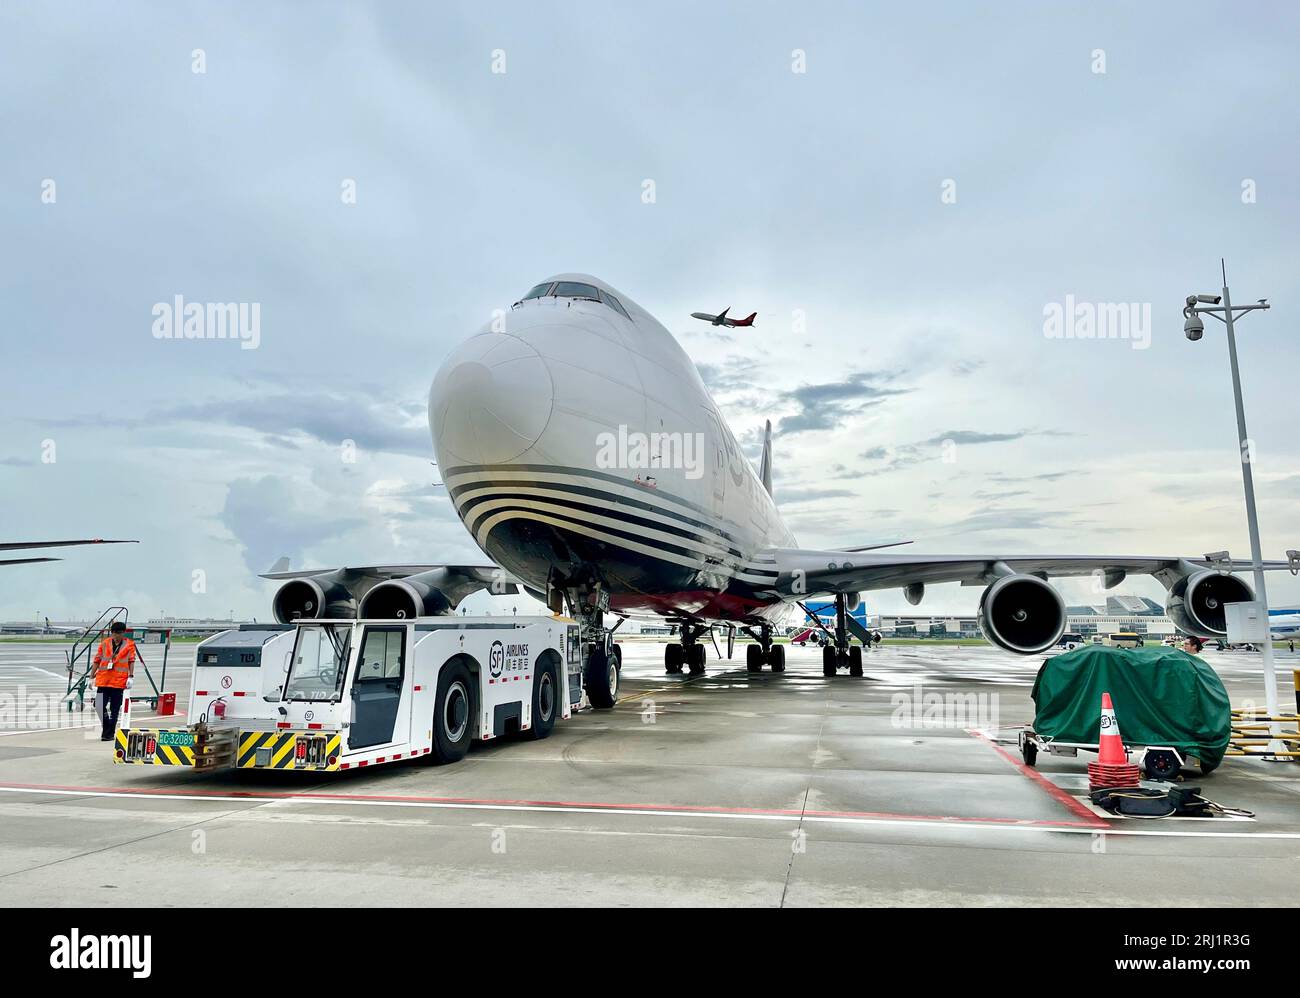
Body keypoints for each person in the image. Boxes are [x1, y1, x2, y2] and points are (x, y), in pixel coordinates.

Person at [91, 621, 136, 741]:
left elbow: (131, 661)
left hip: (118, 682)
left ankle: (108, 734)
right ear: (112, 633)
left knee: (115, 709)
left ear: (123, 633)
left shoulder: (129, 644)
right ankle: (108, 728)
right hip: (104, 680)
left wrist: (131, 676)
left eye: (119, 633)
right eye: (115, 633)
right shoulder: (105, 643)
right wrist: (91, 677)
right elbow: (97, 660)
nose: (117, 636)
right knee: (99, 705)